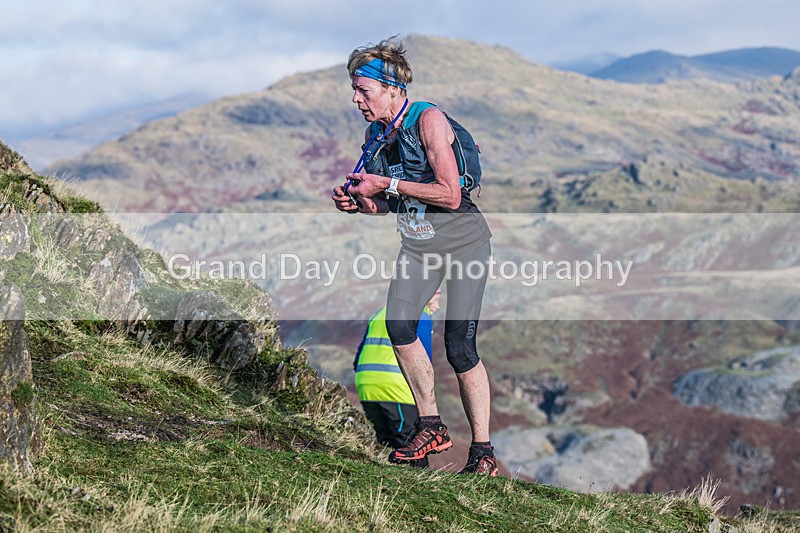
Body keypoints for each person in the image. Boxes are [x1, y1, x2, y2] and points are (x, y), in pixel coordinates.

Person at [332, 36, 497, 475]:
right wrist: (359, 203)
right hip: (419, 245)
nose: (356, 99)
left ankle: (482, 453)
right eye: (354, 90)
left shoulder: (428, 120)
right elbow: (388, 203)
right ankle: (431, 425)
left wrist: (384, 184)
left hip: (463, 243)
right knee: (399, 326)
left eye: (363, 90)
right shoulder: (376, 135)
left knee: (460, 348)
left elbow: (449, 194)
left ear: (392, 89)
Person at [354, 291, 441, 468]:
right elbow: (423, 361)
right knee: (412, 443)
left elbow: (358, 356)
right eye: (436, 299)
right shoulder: (420, 316)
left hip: (366, 384)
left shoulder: (380, 313)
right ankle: (422, 480)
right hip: (396, 388)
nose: (437, 306)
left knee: (383, 443)